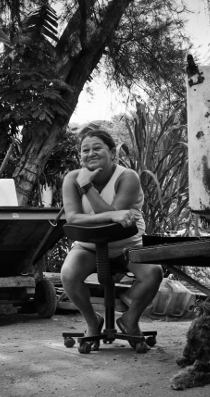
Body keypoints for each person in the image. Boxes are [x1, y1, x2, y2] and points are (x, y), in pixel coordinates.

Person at [61, 129, 163, 347]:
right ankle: (92, 322)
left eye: (97, 148)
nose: (91, 153)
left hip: (128, 245)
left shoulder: (127, 177)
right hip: (88, 247)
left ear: (112, 152)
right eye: (85, 150)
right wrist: (110, 214)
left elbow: (111, 225)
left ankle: (130, 320)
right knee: (68, 274)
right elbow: (72, 217)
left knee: (154, 273)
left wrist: (87, 186)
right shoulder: (71, 178)